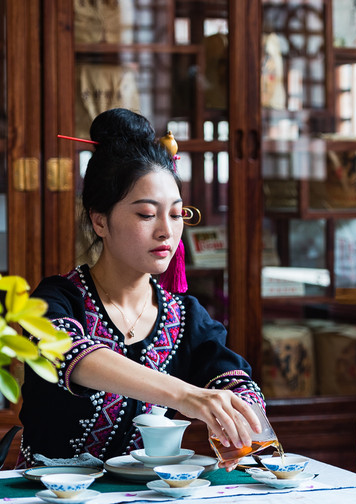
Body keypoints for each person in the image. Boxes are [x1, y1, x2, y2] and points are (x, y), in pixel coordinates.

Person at [17, 108, 264, 469]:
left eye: (177, 214)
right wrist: (190, 397)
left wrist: (241, 418)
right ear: (99, 220)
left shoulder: (183, 317)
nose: (166, 230)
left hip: (145, 499)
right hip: (49, 502)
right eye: (147, 214)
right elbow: (74, 356)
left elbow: (234, 379)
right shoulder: (58, 299)